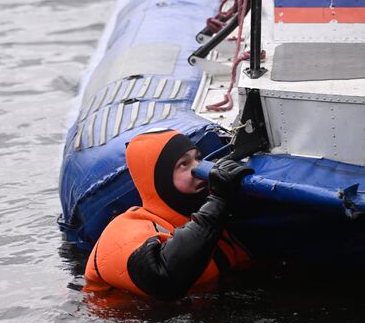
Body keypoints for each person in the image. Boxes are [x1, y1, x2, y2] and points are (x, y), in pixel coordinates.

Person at [83, 128, 253, 301]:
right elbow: (162, 278)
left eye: (198, 158)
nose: (199, 170)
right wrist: (219, 200)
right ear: (159, 179)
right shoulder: (124, 230)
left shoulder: (209, 219)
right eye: (184, 164)